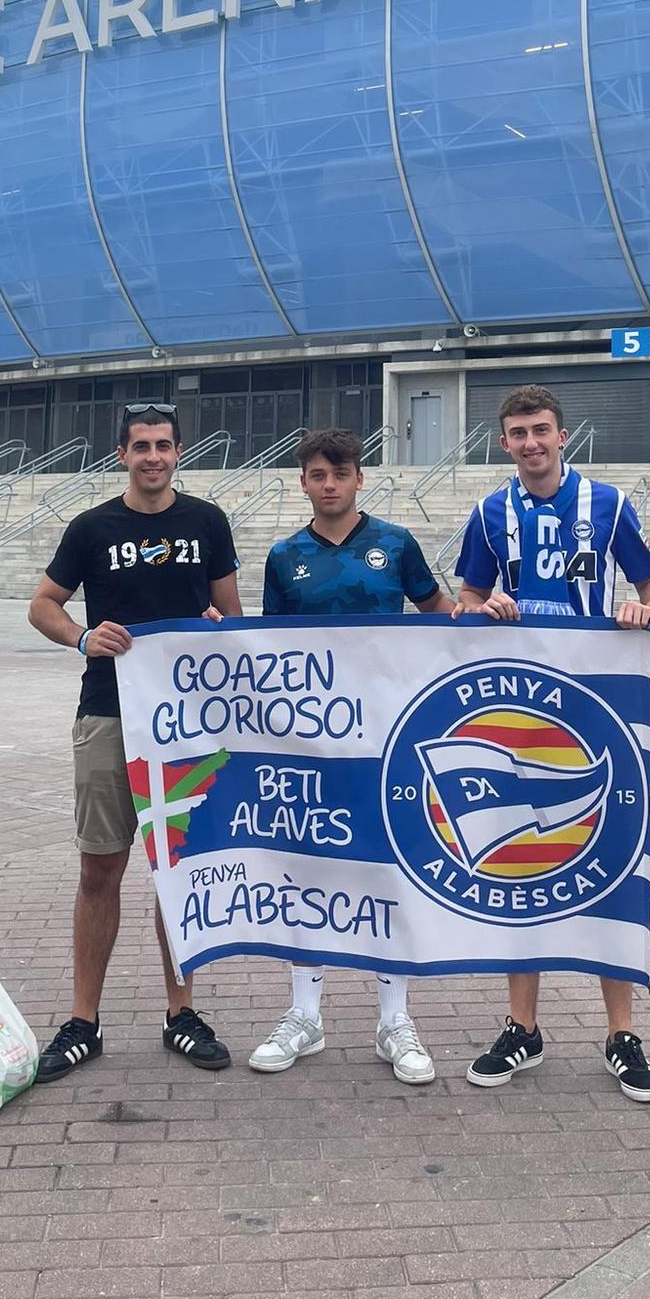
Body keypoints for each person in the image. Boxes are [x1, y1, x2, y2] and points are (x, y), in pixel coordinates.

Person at [453, 384, 650, 1102]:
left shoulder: (606, 504)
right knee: (522, 862)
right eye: (518, 433)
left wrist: (643, 608)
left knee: (613, 856)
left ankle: (621, 1034)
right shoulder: (490, 512)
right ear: (504, 442)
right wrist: (484, 605)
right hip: (521, 708)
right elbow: (466, 597)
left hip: (595, 704)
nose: (531, 443)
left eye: (541, 430)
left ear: (562, 435)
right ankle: (523, 1027)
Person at [28, 401, 243, 1079]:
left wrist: (216, 626)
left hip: (188, 723)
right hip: (109, 715)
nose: (153, 457)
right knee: (100, 869)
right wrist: (82, 637)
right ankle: (83, 1021)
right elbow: (42, 605)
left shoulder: (206, 521)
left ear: (179, 452)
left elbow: (231, 616)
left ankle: (181, 1013)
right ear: (121, 455)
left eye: (164, 445)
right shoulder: (92, 527)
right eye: (141, 446)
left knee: (179, 870)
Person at [250, 427, 455, 1085]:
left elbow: (438, 609)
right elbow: (269, 647)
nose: (330, 484)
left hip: (386, 737)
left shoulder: (394, 543)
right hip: (311, 740)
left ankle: (394, 1020)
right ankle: (304, 1015)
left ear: (360, 478)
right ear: (303, 482)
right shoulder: (285, 556)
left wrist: (486, 624)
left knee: (388, 866)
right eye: (318, 474)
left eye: (340, 473)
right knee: (306, 865)